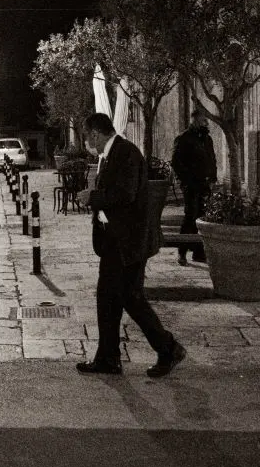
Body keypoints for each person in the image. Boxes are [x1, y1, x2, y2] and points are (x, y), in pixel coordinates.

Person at [76, 112, 186, 378]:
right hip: (115, 241)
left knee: (130, 298)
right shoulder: (110, 155)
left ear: (95, 133)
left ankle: (168, 348)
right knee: (108, 298)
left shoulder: (126, 153)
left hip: (129, 242)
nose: (88, 143)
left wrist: (93, 196)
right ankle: (108, 358)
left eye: (88, 137)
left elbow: (125, 194)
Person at [171, 102, 217, 265]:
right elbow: (176, 163)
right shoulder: (184, 139)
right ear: (196, 121)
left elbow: (212, 159)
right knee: (190, 217)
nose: (207, 123)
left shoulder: (207, 139)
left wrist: (213, 178)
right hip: (191, 186)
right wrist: (188, 181)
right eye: (204, 120)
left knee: (203, 217)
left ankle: (199, 253)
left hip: (205, 185)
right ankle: (182, 252)